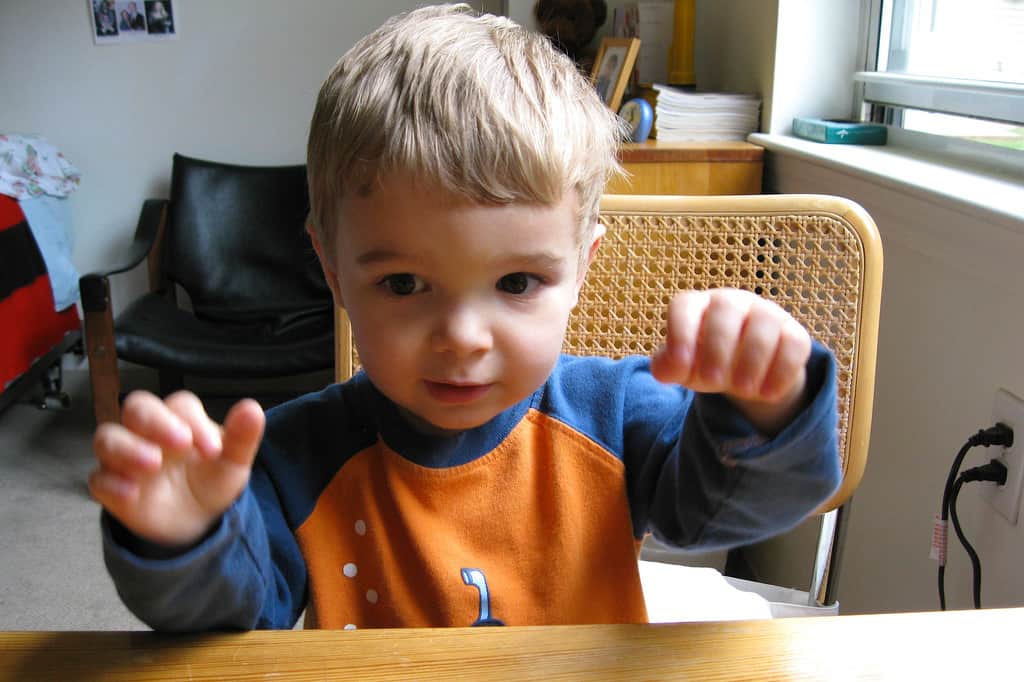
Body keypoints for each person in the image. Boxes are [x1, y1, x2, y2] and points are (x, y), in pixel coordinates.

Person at [92, 4, 840, 631]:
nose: (462, 338)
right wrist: (188, 537)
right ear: (333, 270)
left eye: (516, 281)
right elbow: (233, 620)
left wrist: (764, 409)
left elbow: (726, 514)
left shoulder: (615, 416)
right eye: (404, 283)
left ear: (581, 268)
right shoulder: (294, 460)